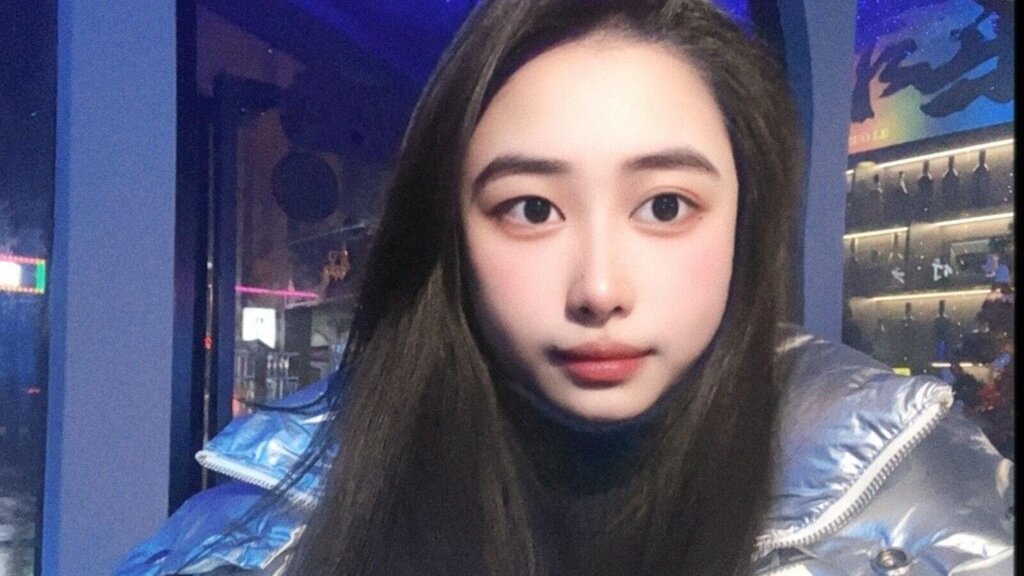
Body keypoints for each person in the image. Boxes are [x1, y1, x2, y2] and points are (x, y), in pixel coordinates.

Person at [116, 1, 1013, 575]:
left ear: (748, 222)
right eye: (531, 209)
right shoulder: (259, 529)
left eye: (666, 206)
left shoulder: (906, 505)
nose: (599, 287)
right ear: (448, 233)